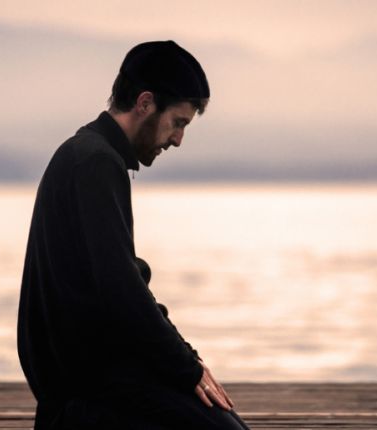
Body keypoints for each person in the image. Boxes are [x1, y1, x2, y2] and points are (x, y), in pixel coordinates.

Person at [17, 40, 250, 430]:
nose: (178, 140)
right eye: (178, 123)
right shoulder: (95, 163)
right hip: (86, 396)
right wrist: (187, 368)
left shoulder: (88, 153)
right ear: (145, 103)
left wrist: (187, 360)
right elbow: (122, 292)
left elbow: (124, 287)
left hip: (96, 380)